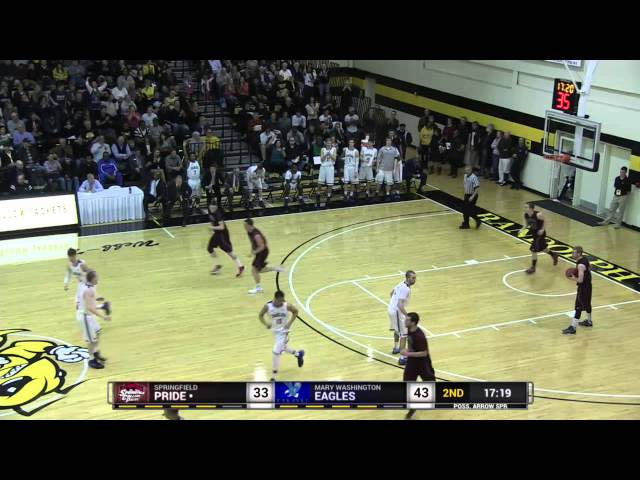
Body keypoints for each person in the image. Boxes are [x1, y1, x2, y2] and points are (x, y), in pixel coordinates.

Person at [259, 290, 305, 381]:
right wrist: (265, 323)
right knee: (283, 348)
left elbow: (296, 311)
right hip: (275, 332)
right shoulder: (267, 306)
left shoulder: (286, 305)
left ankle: (273, 376)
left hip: (284, 332)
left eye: (283, 300)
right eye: (280, 301)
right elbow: (260, 315)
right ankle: (298, 354)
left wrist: (290, 323)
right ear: (275, 299)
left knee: (275, 352)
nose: (282, 302)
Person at [401, 312, 436, 420]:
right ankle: (412, 407)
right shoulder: (409, 329)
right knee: (407, 383)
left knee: (430, 381)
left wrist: (408, 354)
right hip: (412, 362)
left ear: (413, 323)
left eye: (407, 320)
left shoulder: (419, 336)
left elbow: (424, 353)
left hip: (422, 363)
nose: (405, 321)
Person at [75, 270, 111, 369]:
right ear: (92, 279)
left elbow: (82, 277)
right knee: (91, 341)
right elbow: (90, 308)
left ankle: (95, 352)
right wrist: (103, 317)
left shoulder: (88, 285)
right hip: (84, 317)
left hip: (88, 315)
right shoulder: (88, 290)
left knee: (98, 331)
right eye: (96, 277)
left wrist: (97, 299)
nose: (98, 279)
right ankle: (91, 360)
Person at [244, 218, 286, 295]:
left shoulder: (256, 235)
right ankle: (275, 268)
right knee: (259, 270)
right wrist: (252, 250)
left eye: (245, 225)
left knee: (254, 270)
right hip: (260, 252)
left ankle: (258, 288)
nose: (244, 226)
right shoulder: (249, 232)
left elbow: (262, 246)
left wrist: (253, 253)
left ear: (249, 225)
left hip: (262, 252)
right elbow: (252, 242)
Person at [206, 203, 244, 276]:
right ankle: (217, 266)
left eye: (213, 207)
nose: (211, 208)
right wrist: (212, 230)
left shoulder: (218, 214)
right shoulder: (210, 213)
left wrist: (212, 228)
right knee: (209, 248)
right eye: (210, 207)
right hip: (216, 234)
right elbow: (212, 222)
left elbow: (222, 227)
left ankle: (240, 266)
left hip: (222, 235)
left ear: (216, 207)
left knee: (229, 252)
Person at [562, 246, 593, 335]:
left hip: (583, 287)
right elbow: (590, 267)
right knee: (587, 304)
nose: (572, 254)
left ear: (578, 254)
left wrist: (572, 278)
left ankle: (573, 328)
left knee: (578, 307)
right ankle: (589, 321)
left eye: (574, 252)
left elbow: (580, 280)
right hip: (588, 286)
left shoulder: (580, 265)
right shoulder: (584, 259)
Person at [521, 202, 559, 274]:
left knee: (533, 250)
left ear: (531, 208)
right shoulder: (525, 214)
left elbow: (545, 221)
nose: (524, 208)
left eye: (526, 207)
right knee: (543, 248)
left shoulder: (538, 215)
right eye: (525, 207)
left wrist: (542, 229)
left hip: (540, 234)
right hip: (534, 234)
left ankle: (533, 267)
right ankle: (553, 254)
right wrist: (522, 229)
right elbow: (526, 224)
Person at [389, 270, 417, 365]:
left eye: (415, 278)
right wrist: (407, 316)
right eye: (413, 278)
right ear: (408, 278)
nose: (415, 280)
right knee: (404, 334)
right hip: (397, 311)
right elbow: (400, 304)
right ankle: (403, 358)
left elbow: (391, 293)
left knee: (397, 330)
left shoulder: (401, 283)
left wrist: (393, 304)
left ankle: (395, 348)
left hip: (391, 309)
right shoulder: (406, 289)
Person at [376, 137, 400, 202]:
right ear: (385, 141)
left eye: (389, 140)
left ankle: (387, 194)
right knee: (379, 181)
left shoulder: (394, 149)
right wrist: (377, 168)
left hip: (390, 169)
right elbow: (378, 159)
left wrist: (394, 169)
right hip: (381, 168)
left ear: (391, 142)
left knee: (388, 183)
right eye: (387, 140)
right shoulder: (382, 149)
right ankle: (377, 193)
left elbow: (396, 159)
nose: (388, 142)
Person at [316, 138, 336, 209]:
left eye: (330, 143)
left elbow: (334, 159)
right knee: (320, 183)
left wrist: (330, 154)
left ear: (331, 144)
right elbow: (321, 160)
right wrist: (325, 154)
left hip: (330, 167)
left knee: (330, 184)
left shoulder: (334, 149)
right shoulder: (322, 149)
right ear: (325, 143)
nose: (329, 144)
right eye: (328, 143)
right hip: (323, 167)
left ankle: (328, 198)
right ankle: (318, 197)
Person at [460, 165, 481, 229]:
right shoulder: (465, 176)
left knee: (469, 210)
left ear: (471, 170)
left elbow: (477, 188)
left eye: (468, 170)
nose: (466, 171)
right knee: (465, 210)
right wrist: (464, 192)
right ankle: (466, 224)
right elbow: (465, 184)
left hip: (472, 195)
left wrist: (472, 196)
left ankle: (478, 220)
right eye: (466, 170)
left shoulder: (474, 177)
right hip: (467, 195)